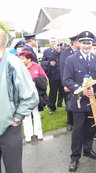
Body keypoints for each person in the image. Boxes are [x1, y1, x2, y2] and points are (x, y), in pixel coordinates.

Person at [0, 29, 39, 173]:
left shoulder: (13, 63)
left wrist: (16, 119)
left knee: (13, 169)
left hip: (9, 128)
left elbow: (31, 96)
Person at [63, 31, 96, 172]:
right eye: (84, 43)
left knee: (90, 128)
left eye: (89, 43)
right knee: (78, 130)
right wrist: (81, 89)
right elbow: (67, 79)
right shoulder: (71, 59)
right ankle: (74, 157)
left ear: (92, 44)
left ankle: (88, 150)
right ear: (79, 44)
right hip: (79, 101)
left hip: (93, 101)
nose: (86, 46)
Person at [19, 50, 47, 142]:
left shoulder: (37, 66)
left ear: (29, 59)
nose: (21, 60)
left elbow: (44, 78)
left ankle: (38, 133)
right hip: (24, 96)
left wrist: (35, 81)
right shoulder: (19, 68)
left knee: (36, 114)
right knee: (26, 115)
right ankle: (28, 134)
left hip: (35, 95)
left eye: (22, 58)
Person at [60, 34, 80, 131]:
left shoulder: (81, 52)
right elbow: (62, 69)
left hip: (78, 81)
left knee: (78, 101)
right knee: (69, 102)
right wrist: (65, 84)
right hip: (69, 81)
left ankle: (77, 122)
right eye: (79, 41)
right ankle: (69, 122)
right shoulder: (65, 52)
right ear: (74, 42)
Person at [41, 37, 64, 114]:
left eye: (55, 41)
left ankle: (60, 104)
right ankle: (52, 107)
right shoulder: (46, 51)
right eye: (52, 41)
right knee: (53, 91)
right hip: (53, 75)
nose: (54, 43)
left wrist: (59, 51)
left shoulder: (62, 49)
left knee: (62, 91)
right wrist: (49, 63)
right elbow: (43, 62)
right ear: (50, 43)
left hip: (62, 74)